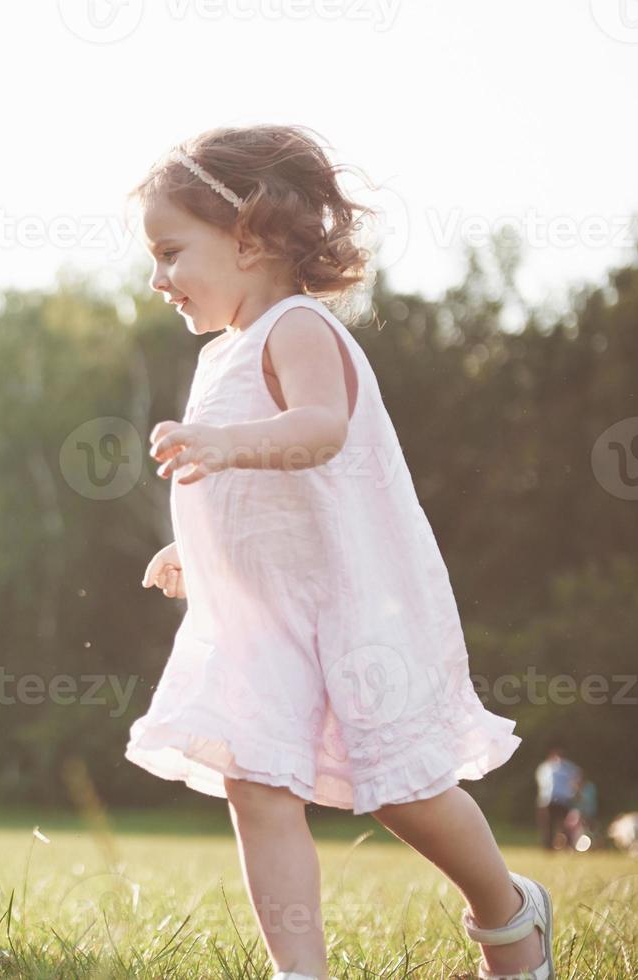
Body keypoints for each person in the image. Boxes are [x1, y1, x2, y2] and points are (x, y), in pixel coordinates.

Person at [126, 125, 552, 980]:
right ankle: (300, 971)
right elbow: (258, 500)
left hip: (351, 607)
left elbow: (318, 430)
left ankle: (509, 916)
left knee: (403, 790)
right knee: (254, 782)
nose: (156, 277)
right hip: (266, 624)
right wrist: (194, 547)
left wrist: (223, 444)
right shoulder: (222, 355)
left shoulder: (295, 328)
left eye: (171, 251)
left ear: (247, 236)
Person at [534, 745, 581, 850]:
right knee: (552, 825)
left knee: (560, 825)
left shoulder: (548, 766)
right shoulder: (553, 767)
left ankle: (561, 845)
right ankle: (552, 846)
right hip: (553, 800)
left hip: (556, 800)